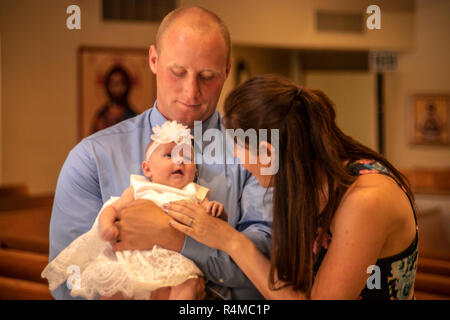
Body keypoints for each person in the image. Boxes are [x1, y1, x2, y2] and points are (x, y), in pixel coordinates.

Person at [49, 7, 272, 300]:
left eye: (207, 76)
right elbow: (70, 284)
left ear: (227, 71)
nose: (191, 92)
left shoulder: (258, 155)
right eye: (177, 73)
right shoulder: (91, 158)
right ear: (153, 60)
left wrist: (176, 240)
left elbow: (267, 271)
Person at [166, 74, 419, 300]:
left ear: (267, 154)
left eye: (237, 145)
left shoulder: (365, 201)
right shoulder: (301, 185)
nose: (235, 155)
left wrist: (231, 240)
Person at [43, 121, 225, 300]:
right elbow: (113, 208)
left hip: (172, 259)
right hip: (133, 256)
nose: (179, 161)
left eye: (186, 157)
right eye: (169, 155)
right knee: (112, 287)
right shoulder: (140, 188)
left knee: (188, 285)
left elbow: (212, 222)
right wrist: (106, 225)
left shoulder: (194, 193)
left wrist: (213, 209)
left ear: (195, 170)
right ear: (148, 169)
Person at [91, 65, 137, 133]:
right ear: (107, 86)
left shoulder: (133, 118)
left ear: (127, 86)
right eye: (113, 84)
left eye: (120, 83)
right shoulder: (101, 118)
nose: (117, 88)